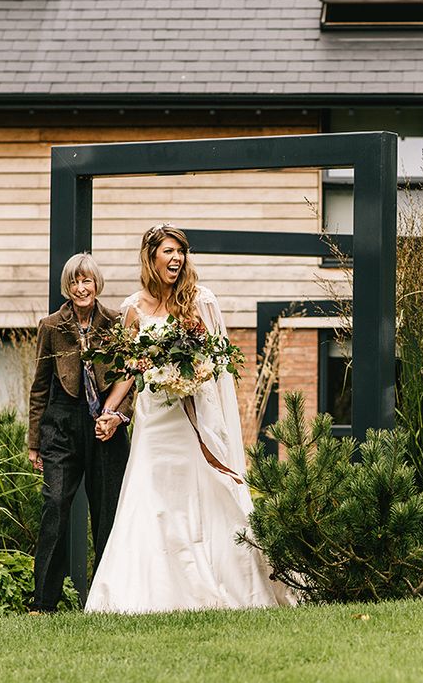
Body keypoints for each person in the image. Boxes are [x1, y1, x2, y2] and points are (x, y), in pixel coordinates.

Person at [85, 224, 294, 613]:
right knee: (149, 495)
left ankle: (222, 582)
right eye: (168, 251)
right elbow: (130, 369)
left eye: (180, 252)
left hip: (190, 419)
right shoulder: (133, 308)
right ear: (151, 258)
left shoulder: (201, 301)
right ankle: (144, 593)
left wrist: (191, 376)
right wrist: (111, 412)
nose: (177, 259)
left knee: (203, 494)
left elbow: (217, 362)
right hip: (153, 421)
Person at [28, 253, 132, 613]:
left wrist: (118, 416)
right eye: (74, 282)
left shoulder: (116, 322)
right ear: (67, 287)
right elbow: (39, 388)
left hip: (105, 424)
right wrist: (34, 442)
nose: (81, 287)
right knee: (55, 504)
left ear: (96, 284)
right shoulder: (51, 325)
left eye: (86, 280)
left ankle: (105, 599)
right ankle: (43, 602)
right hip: (61, 423)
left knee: (106, 511)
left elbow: (130, 379)